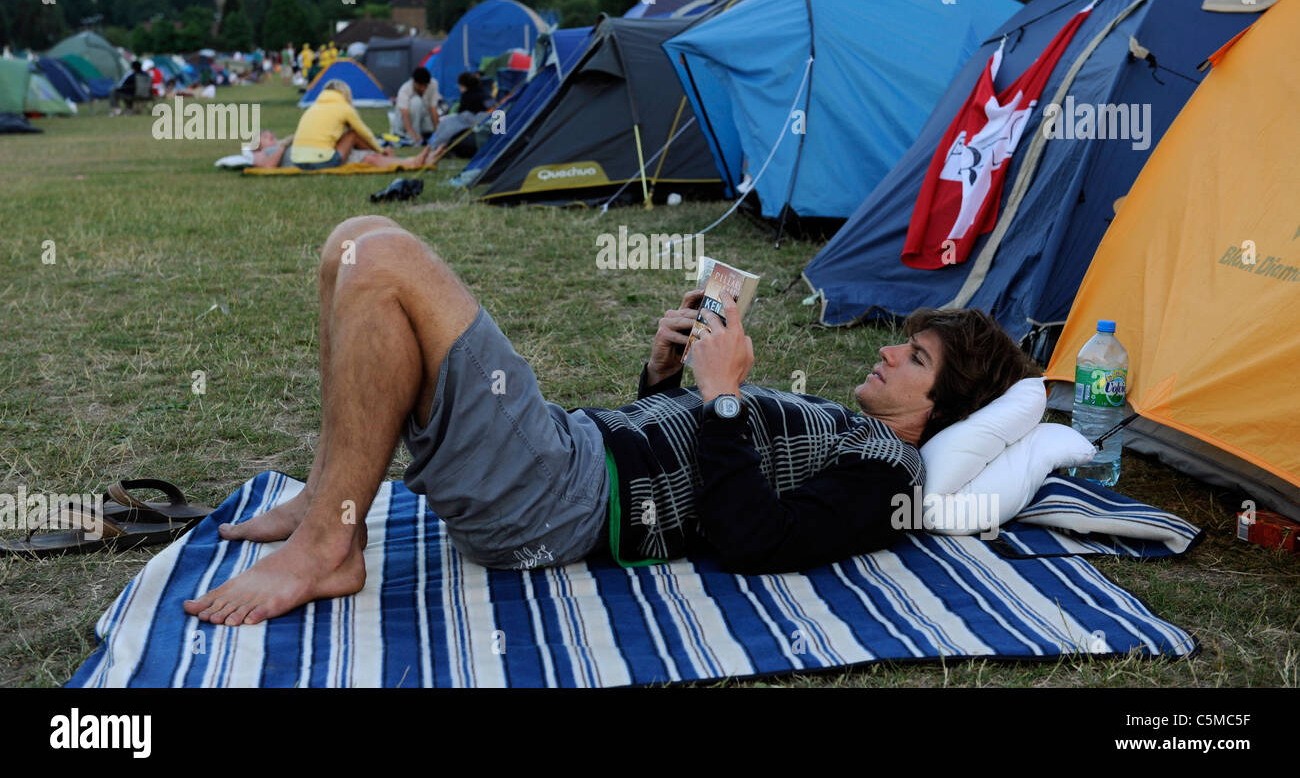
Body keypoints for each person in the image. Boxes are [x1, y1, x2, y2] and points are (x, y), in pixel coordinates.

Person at [183, 216, 1040, 626]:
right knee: (348, 252)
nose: (890, 355)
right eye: (904, 344)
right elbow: (698, 459)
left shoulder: (889, 475)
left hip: (561, 498)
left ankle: (331, 544)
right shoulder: (833, 419)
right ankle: (329, 505)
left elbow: (756, 539)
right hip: (568, 456)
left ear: (939, 413)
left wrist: (724, 397)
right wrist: (666, 372)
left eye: (916, 361)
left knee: (381, 257)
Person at [289, 80, 436, 171]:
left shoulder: (313, 108)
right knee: (355, 138)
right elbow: (364, 133)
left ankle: (401, 159)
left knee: (357, 146)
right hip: (320, 161)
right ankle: (401, 160)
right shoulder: (343, 107)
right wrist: (380, 149)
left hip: (297, 160)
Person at [394, 67, 440, 143]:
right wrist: (412, 134)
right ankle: (411, 134)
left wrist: (437, 131)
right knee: (417, 101)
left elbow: (433, 108)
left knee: (430, 129)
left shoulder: (433, 84)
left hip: (422, 118)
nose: (423, 89)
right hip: (404, 121)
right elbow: (405, 114)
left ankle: (419, 134)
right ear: (414, 82)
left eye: (425, 86)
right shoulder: (405, 89)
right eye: (420, 86)